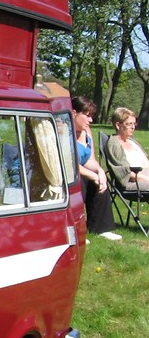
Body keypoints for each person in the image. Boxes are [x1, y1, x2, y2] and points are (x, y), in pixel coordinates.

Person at [72, 96, 121, 240]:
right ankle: (77, 230)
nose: (90, 120)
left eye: (91, 116)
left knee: (100, 180)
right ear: (74, 113)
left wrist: (100, 172)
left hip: (81, 170)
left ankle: (101, 228)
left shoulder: (87, 131)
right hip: (67, 174)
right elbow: (71, 165)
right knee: (79, 182)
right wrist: (93, 175)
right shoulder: (63, 131)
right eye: (87, 116)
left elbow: (90, 160)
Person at [104, 107, 149, 192]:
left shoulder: (132, 142)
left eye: (134, 124)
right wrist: (146, 179)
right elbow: (126, 173)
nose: (133, 127)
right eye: (129, 124)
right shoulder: (114, 144)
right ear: (118, 125)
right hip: (133, 181)